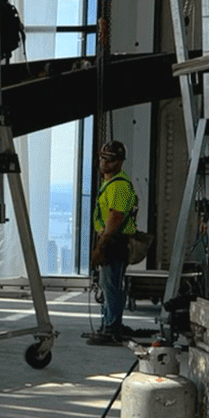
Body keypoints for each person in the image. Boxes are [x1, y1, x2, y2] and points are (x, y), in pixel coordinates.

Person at [85, 139, 142, 345]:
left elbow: (116, 216)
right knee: (107, 284)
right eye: (102, 158)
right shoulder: (110, 183)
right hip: (110, 239)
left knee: (111, 285)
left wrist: (103, 243)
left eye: (109, 160)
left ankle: (112, 327)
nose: (104, 163)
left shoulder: (119, 186)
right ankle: (108, 323)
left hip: (114, 241)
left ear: (119, 162)